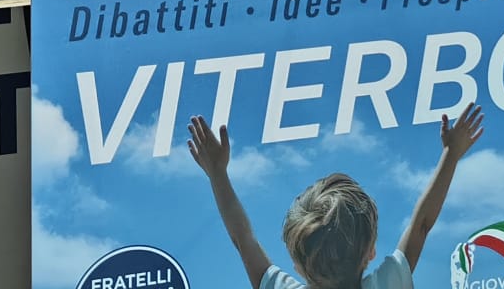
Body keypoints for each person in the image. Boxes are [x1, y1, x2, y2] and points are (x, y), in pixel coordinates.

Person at [186, 106, 484, 289]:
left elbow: (242, 238)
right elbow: (422, 225)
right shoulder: (388, 284)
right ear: (370, 252)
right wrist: (451, 153)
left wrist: (217, 173)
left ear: (297, 264)